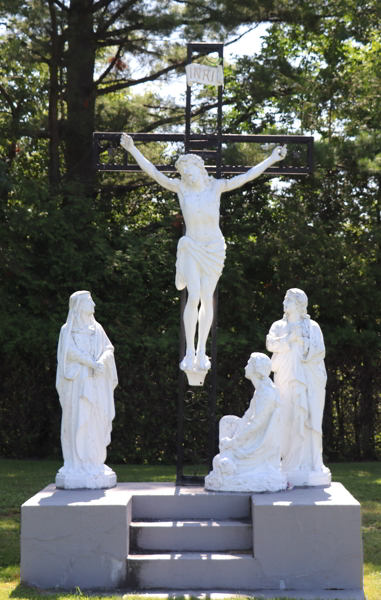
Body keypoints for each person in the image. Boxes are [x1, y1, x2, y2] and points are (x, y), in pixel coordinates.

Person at [121, 133, 287, 373]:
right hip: (191, 247)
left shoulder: (216, 186)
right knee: (194, 295)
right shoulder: (180, 188)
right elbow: (154, 173)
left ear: (200, 169)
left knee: (207, 298)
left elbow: (247, 176)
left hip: (214, 248)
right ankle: (190, 351)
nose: (186, 175)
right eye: (183, 172)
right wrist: (133, 150)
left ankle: (201, 350)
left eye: (190, 170)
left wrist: (271, 160)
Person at [266, 288, 330, 481]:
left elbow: (320, 351)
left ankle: (308, 462)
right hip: (285, 377)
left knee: (306, 418)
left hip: (308, 381)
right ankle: (287, 461)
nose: (284, 303)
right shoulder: (278, 326)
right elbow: (270, 344)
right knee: (286, 416)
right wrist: (290, 338)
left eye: (289, 300)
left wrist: (303, 344)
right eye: (285, 299)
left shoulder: (313, 327)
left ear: (299, 304)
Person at [56, 290, 118, 488]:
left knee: (95, 419)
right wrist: (90, 362)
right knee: (77, 418)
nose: (94, 305)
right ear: (79, 305)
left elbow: (109, 348)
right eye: (90, 301)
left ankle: (94, 462)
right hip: (77, 383)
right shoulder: (68, 329)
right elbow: (69, 352)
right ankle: (76, 464)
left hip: (94, 382)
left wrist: (100, 361)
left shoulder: (97, 329)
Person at [204, 352, 287, 492]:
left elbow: (256, 424)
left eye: (249, 363)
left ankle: (228, 461)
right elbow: (248, 416)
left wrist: (234, 442)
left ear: (256, 369)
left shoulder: (266, 393)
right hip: (252, 433)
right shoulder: (259, 391)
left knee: (222, 458)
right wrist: (234, 436)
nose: (246, 366)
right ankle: (227, 458)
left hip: (258, 440)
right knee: (226, 421)